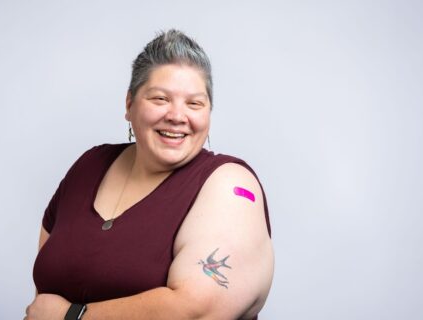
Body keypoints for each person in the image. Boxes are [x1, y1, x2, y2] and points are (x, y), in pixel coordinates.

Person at [26, 29, 273, 320]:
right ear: (129, 104)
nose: (177, 116)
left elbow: (197, 310)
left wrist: (73, 316)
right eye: (160, 99)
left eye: (194, 103)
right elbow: (45, 289)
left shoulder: (231, 186)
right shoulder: (89, 165)